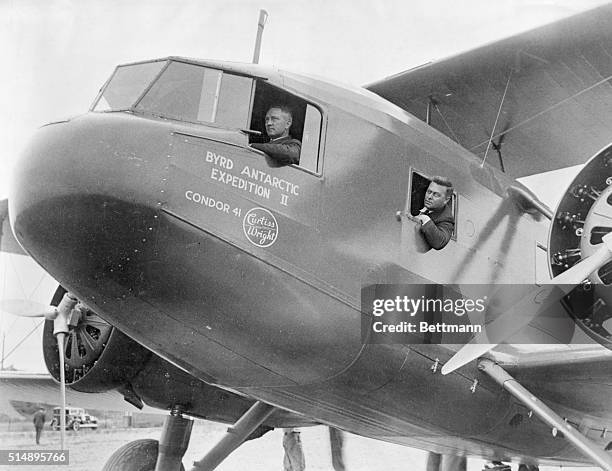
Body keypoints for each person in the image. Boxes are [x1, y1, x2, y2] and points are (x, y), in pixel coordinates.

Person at [414, 176, 455, 250]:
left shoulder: (447, 219)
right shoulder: (417, 197)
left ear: (446, 199)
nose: (429, 197)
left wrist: (425, 219)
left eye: (436, 195)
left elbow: (439, 242)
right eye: (429, 192)